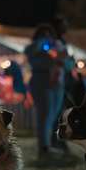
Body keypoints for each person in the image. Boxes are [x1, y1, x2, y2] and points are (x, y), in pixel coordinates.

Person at [24, 24, 66, 158]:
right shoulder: (34, 48)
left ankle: (50, 145)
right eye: (44, 34)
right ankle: (44, 147)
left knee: (53, 115)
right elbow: (30, 52)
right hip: (41, 81)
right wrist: (42, 42)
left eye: (49, 34)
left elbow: (67, 62)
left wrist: (61, 59)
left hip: (57, 83)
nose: (47, 37)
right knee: (45, 115)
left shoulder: (58, 46)